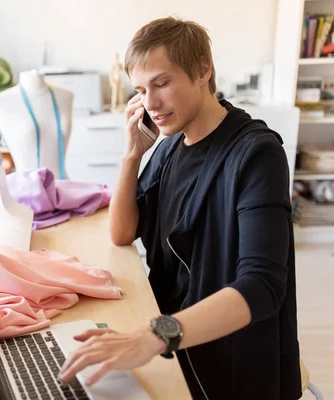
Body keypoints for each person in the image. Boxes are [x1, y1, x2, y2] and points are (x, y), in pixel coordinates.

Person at [58, 16, 301, 400]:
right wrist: (132, 155)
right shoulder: (171, 145)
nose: (150, 103)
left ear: (203, 70)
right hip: (172, 340)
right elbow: (122, 231)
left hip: (224, 360)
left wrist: (155, 335)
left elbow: (263, 286)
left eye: (162, 83)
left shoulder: (257, 154)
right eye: (140, 89)